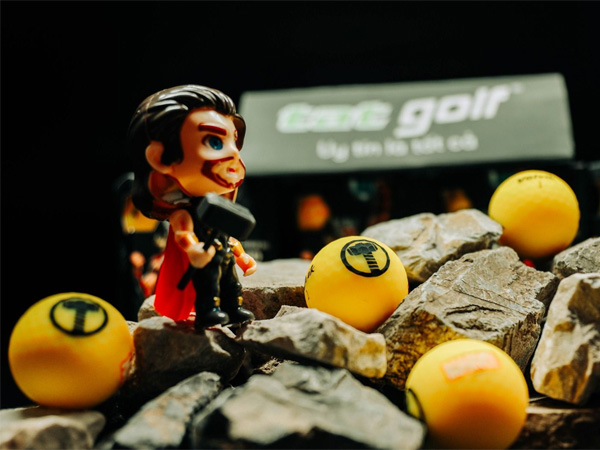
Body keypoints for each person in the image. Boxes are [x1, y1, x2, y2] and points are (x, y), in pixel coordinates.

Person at [128, 85, 257, 330]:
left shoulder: (220, 204)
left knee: (230, 283)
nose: (234, 155)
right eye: (214, 142)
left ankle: (233, 307)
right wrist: (194, 249)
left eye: (234, 141)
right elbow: (183, 234)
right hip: (203, 258)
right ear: (161, 158)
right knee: (207, 285)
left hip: (222, 252)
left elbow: (227, 236)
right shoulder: (184, 212)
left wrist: (241, 256)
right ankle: (208, 311)